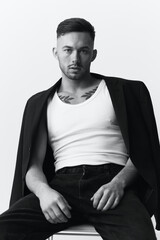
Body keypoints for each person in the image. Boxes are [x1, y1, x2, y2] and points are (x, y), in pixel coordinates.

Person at [0, 17, 159, 240]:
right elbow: (33, 166)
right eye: (68, 50)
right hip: (61, 187)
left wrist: (118, 184)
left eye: (83, 51)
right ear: (55, 52)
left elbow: (143, 154)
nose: (75, 58)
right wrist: (44, 193)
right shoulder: (39, 103)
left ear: (93, 54)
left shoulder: (125, 91)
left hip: (111, 184)